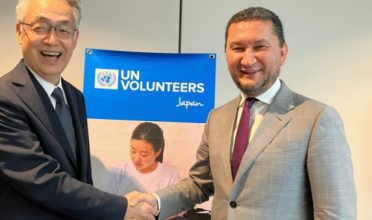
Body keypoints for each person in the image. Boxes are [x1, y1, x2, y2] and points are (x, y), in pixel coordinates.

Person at [130, 7, 357, 220]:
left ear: (282, 53)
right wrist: (155, 200)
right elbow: (200, 183)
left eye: (260, 47)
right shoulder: (217, 118)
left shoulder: (317, 118)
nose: (247, 60)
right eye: (238, 48)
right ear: (227, 52)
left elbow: (334, 213)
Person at [0, 0, 156, 219]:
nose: (52, 40)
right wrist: (119, 207)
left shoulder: (74, 96)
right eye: (40, 27)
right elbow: (41, 180)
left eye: (64, 29)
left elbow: (81, 176)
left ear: (75, 38)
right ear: (20, 32)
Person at [106, 122, 181, 196]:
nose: (136, 159)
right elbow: (109, 204)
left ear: (158, 152)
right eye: (133, 151)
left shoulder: (171, 178)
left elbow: (177, 207)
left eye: (144, 154)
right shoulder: (118, 173)